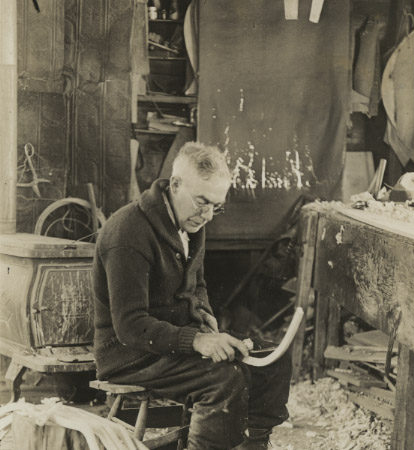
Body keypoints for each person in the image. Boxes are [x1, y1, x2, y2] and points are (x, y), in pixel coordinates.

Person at [92, 141, 292, 449]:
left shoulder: (191, 222)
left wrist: (205, 316)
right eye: (202, 202)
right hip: (131, 353)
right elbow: (130, 325)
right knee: (225, 379)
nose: (208, 215)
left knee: (270, 357)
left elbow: (196, 283)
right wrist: (199, 341)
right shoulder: (128, 231)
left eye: (216, 205)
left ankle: (253, 443)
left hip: (175, 340)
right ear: (175, 184)